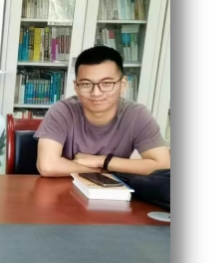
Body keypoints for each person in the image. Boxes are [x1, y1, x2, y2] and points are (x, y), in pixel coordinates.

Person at [35, 46, 170, 177]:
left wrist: (102, 161)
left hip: (114, 190)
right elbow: (47, 166)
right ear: (76, 87)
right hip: (64, 187)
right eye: (86, 84)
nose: (96, 93)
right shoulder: (62, 111)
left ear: (122, 85)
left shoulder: (136, 115)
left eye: (107, 83)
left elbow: (163, 165)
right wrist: (103, 171)